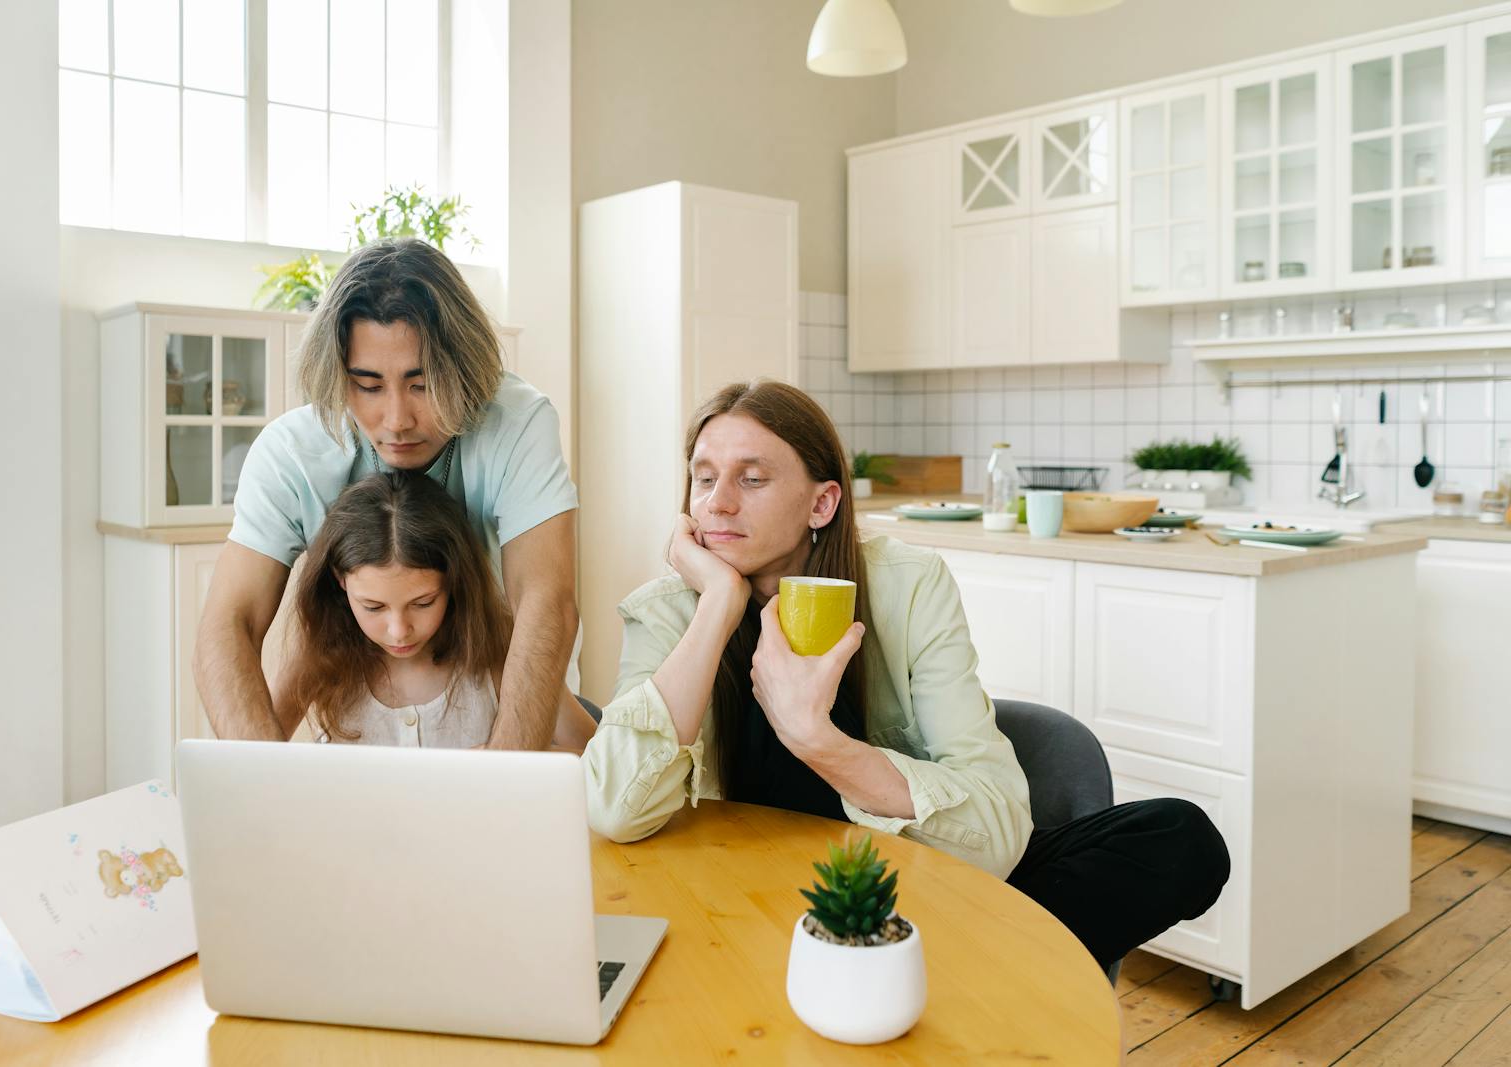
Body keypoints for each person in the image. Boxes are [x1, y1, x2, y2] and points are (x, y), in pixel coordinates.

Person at [582, 379, 1229, 970]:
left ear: (822, 502)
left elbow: (1001, 826)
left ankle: (913, 968)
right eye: (703, 479)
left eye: (751, 479)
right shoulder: (670, 611)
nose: (718, 503)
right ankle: (957, 975)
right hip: (738, 905)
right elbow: (614, 807)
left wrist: (818, 741)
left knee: (1181, 838)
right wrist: (718, 605)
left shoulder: (909, 584)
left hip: (909, 885)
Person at [196, 237, 583, 749]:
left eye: (422, 384)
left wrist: (499, 778)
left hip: (515, 715)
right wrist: (262, 785)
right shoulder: (291, 455)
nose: (397, 420)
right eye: (369, 386)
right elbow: (228, 624)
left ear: (464, 372)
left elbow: (546, 600)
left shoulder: (517, 422)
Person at [272, 473, 595, 751]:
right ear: (340, 581)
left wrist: (515, 760)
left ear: (455, 582)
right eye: (373, 607)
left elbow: (596, 757)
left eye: (423, 603)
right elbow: (256, 753)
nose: (399, 630)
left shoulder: (501, 649)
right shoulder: (319, 655)